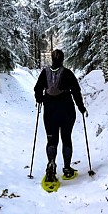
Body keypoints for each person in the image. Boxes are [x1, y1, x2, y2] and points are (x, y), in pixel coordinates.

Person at [33, 49, 87, 181]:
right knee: (66, 138)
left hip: (50, 110)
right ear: (63, 59)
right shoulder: (68, 73)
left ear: (52, 59)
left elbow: (37, 89)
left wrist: (40, 99)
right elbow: (76, 91)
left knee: (51, 139)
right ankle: (67, 168)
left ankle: (51, 163)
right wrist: (81, 107)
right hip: (67, 109)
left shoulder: (44, 73)